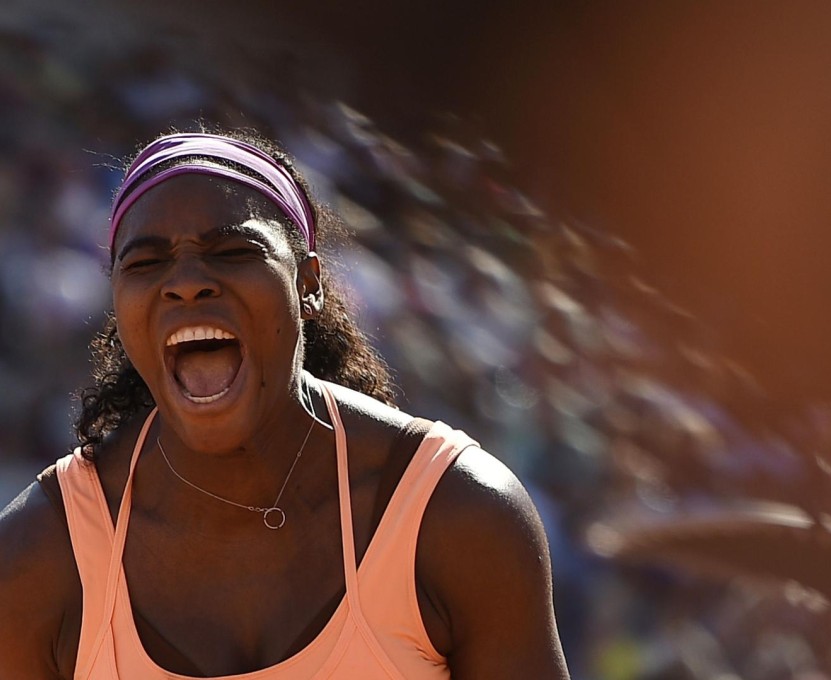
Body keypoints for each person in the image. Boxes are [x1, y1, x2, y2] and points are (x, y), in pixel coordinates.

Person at [0, 130, 570, 679]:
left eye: (232, 251)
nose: (188, 282)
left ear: (309, 285)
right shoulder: (40, 557)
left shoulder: (455, 513)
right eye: (146, 264)